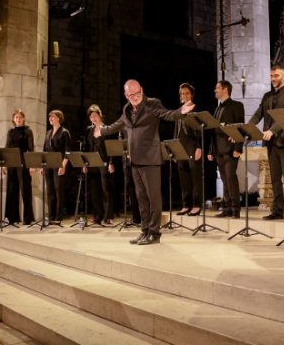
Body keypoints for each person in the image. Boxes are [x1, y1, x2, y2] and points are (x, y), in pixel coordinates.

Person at [97, 79, 194, 245]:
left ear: (141, 89)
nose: (134, 97)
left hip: (150, 159)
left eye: (137, 93)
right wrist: (102, 130)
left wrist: (181, 111)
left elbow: (167, 114)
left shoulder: (152, 104)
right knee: (141, 199)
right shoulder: (127, 109)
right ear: (126, 95)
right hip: (134, 159)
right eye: (130, 94)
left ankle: (154, 233)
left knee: (153, 198)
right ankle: (145, 230)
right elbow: (119, 124)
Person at [248, 65, 284, 221]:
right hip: (270, 143)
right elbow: (258, 114)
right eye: (271, 76)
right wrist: (247, 128)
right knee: (275, 178)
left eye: (276, 75)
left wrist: (273, 130)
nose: (273, 78)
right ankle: (277, 210)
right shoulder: (266, 96)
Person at [207, 80, 245, 218]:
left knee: (230, 177)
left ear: (225, 89)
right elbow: (213, 131)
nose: (215, 90)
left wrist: (238, 147)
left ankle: (236, 208)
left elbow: (240, 127)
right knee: (224, 179)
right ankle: (227, 207)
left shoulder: (237, 106)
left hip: (230, 149)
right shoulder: (217, 108)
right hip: (218, 150)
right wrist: (211, 151)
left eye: (217, 88)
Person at [82, 104, 115, 226]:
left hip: (104, 163)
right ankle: (97, 216)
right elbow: (86, 147)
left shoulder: (107, 129)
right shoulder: (89, 130)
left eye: (95, 116)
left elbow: (112, 148)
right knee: (94, 191)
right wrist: (84, 163)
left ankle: (107, 217)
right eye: (91, 117)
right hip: (92, 163)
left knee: (106, 190)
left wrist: (111, 163)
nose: (93, 119)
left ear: (100, 115)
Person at [174, 83, 203, 216]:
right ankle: (186, 205)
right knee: (183, 176)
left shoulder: (196, 109)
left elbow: (200, 130)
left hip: (192, 146)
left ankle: (196, 205)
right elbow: (176, 131)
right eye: (182, 93)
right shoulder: (179, 110)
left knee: (195, 176)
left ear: (191, 95)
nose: (184, 95)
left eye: (186, 93)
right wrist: (174, 149)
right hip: (180, 147)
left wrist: (199, 147)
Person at [4, 109, 35, 225]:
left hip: (24, 162)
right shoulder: (10, 132)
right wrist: (4, 165)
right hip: (12, 163)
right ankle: (13, 218)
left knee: (25, 190)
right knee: (12, 190)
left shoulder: (28, 131)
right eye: (16, 117)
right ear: (13, 119)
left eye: (20, 117)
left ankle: (28, 218)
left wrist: (32, 165)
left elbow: (31, 149)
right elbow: (6, 148)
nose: (18, 119)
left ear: (24, 119)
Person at [43, 110, 72, 224]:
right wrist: (42, 165)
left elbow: (68, 151)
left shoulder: (64, 132)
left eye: (53, 117)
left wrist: (63, 165)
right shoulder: (48, 132)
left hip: (59, 164)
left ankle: (58, 216)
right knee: (50, 191)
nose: (50, 118)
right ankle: (51, 216)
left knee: (58, 190)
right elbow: (44, 150)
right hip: (48, 164)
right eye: (49, 117)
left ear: (59, 118)